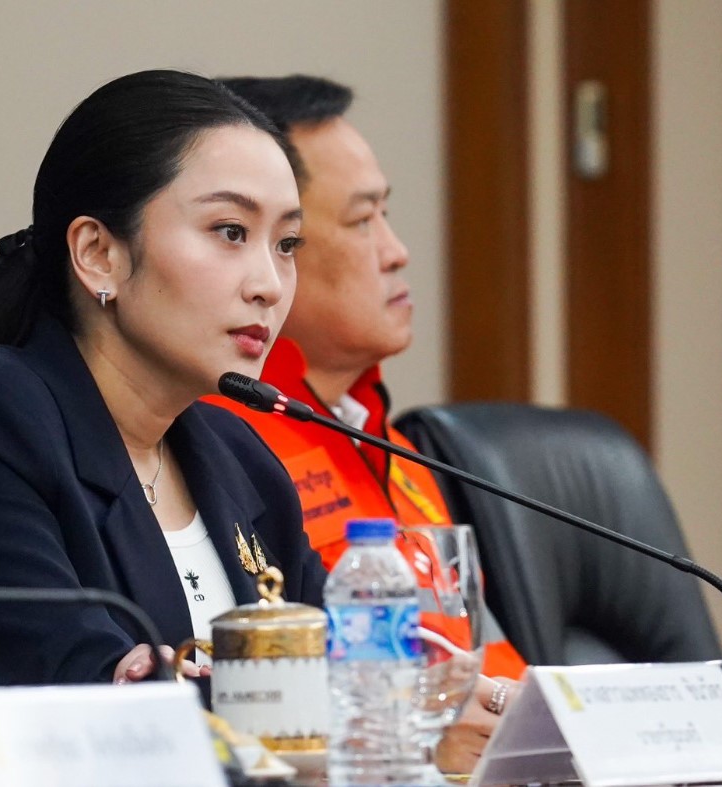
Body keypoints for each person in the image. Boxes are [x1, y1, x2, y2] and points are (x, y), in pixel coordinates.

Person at [0, 70, 325, 787]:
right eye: (229, 232)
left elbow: (341, 685)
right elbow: (93, 719)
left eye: (287, 244)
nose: (268, 283)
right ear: (97, 254)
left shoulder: (242, 462)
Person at [207, 75, 527, 771]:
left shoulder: (396, 447)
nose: (396, 249)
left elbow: (489, 667)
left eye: (386, 214)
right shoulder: (219, 446)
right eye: (361, 221)